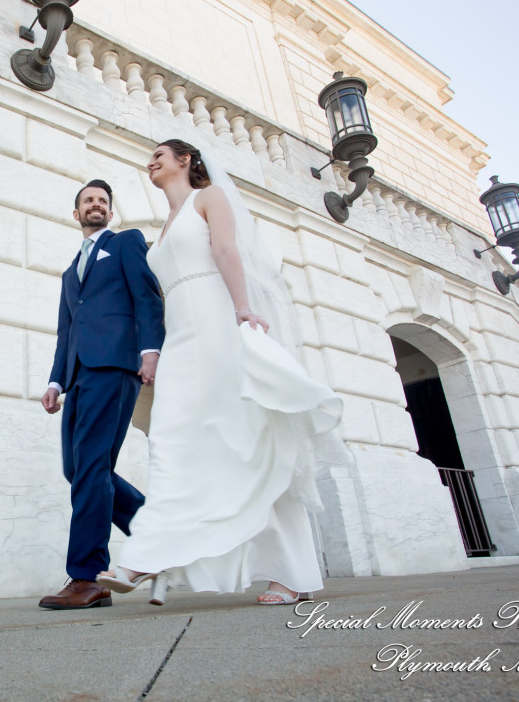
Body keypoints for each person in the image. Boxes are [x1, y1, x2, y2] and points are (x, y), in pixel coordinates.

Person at [96, 139, 350, 605]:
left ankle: (293, 574)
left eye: (161, 154)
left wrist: (243, 310)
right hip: (181, 339)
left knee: (252, 443)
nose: (151, 161)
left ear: (186, 160)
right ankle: (147, 554)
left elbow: (228, 252)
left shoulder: (208, 198)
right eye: (150, 156)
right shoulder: (164, 224)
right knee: (176, 443)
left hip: (217, 324)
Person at [38, 179, 165, 610]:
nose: (96, 205)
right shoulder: (69, 271)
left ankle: (87, 577)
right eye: (88, 201)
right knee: (78, 470)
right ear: (76, 214)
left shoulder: (126, 243)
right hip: (79, 376)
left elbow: (147, 297)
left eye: (103, 201)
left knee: (92, 468)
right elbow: (65, 330)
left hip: (114, 365)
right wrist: (56, 381)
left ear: (110, 211)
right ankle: (159, 536)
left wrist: (150, 350)